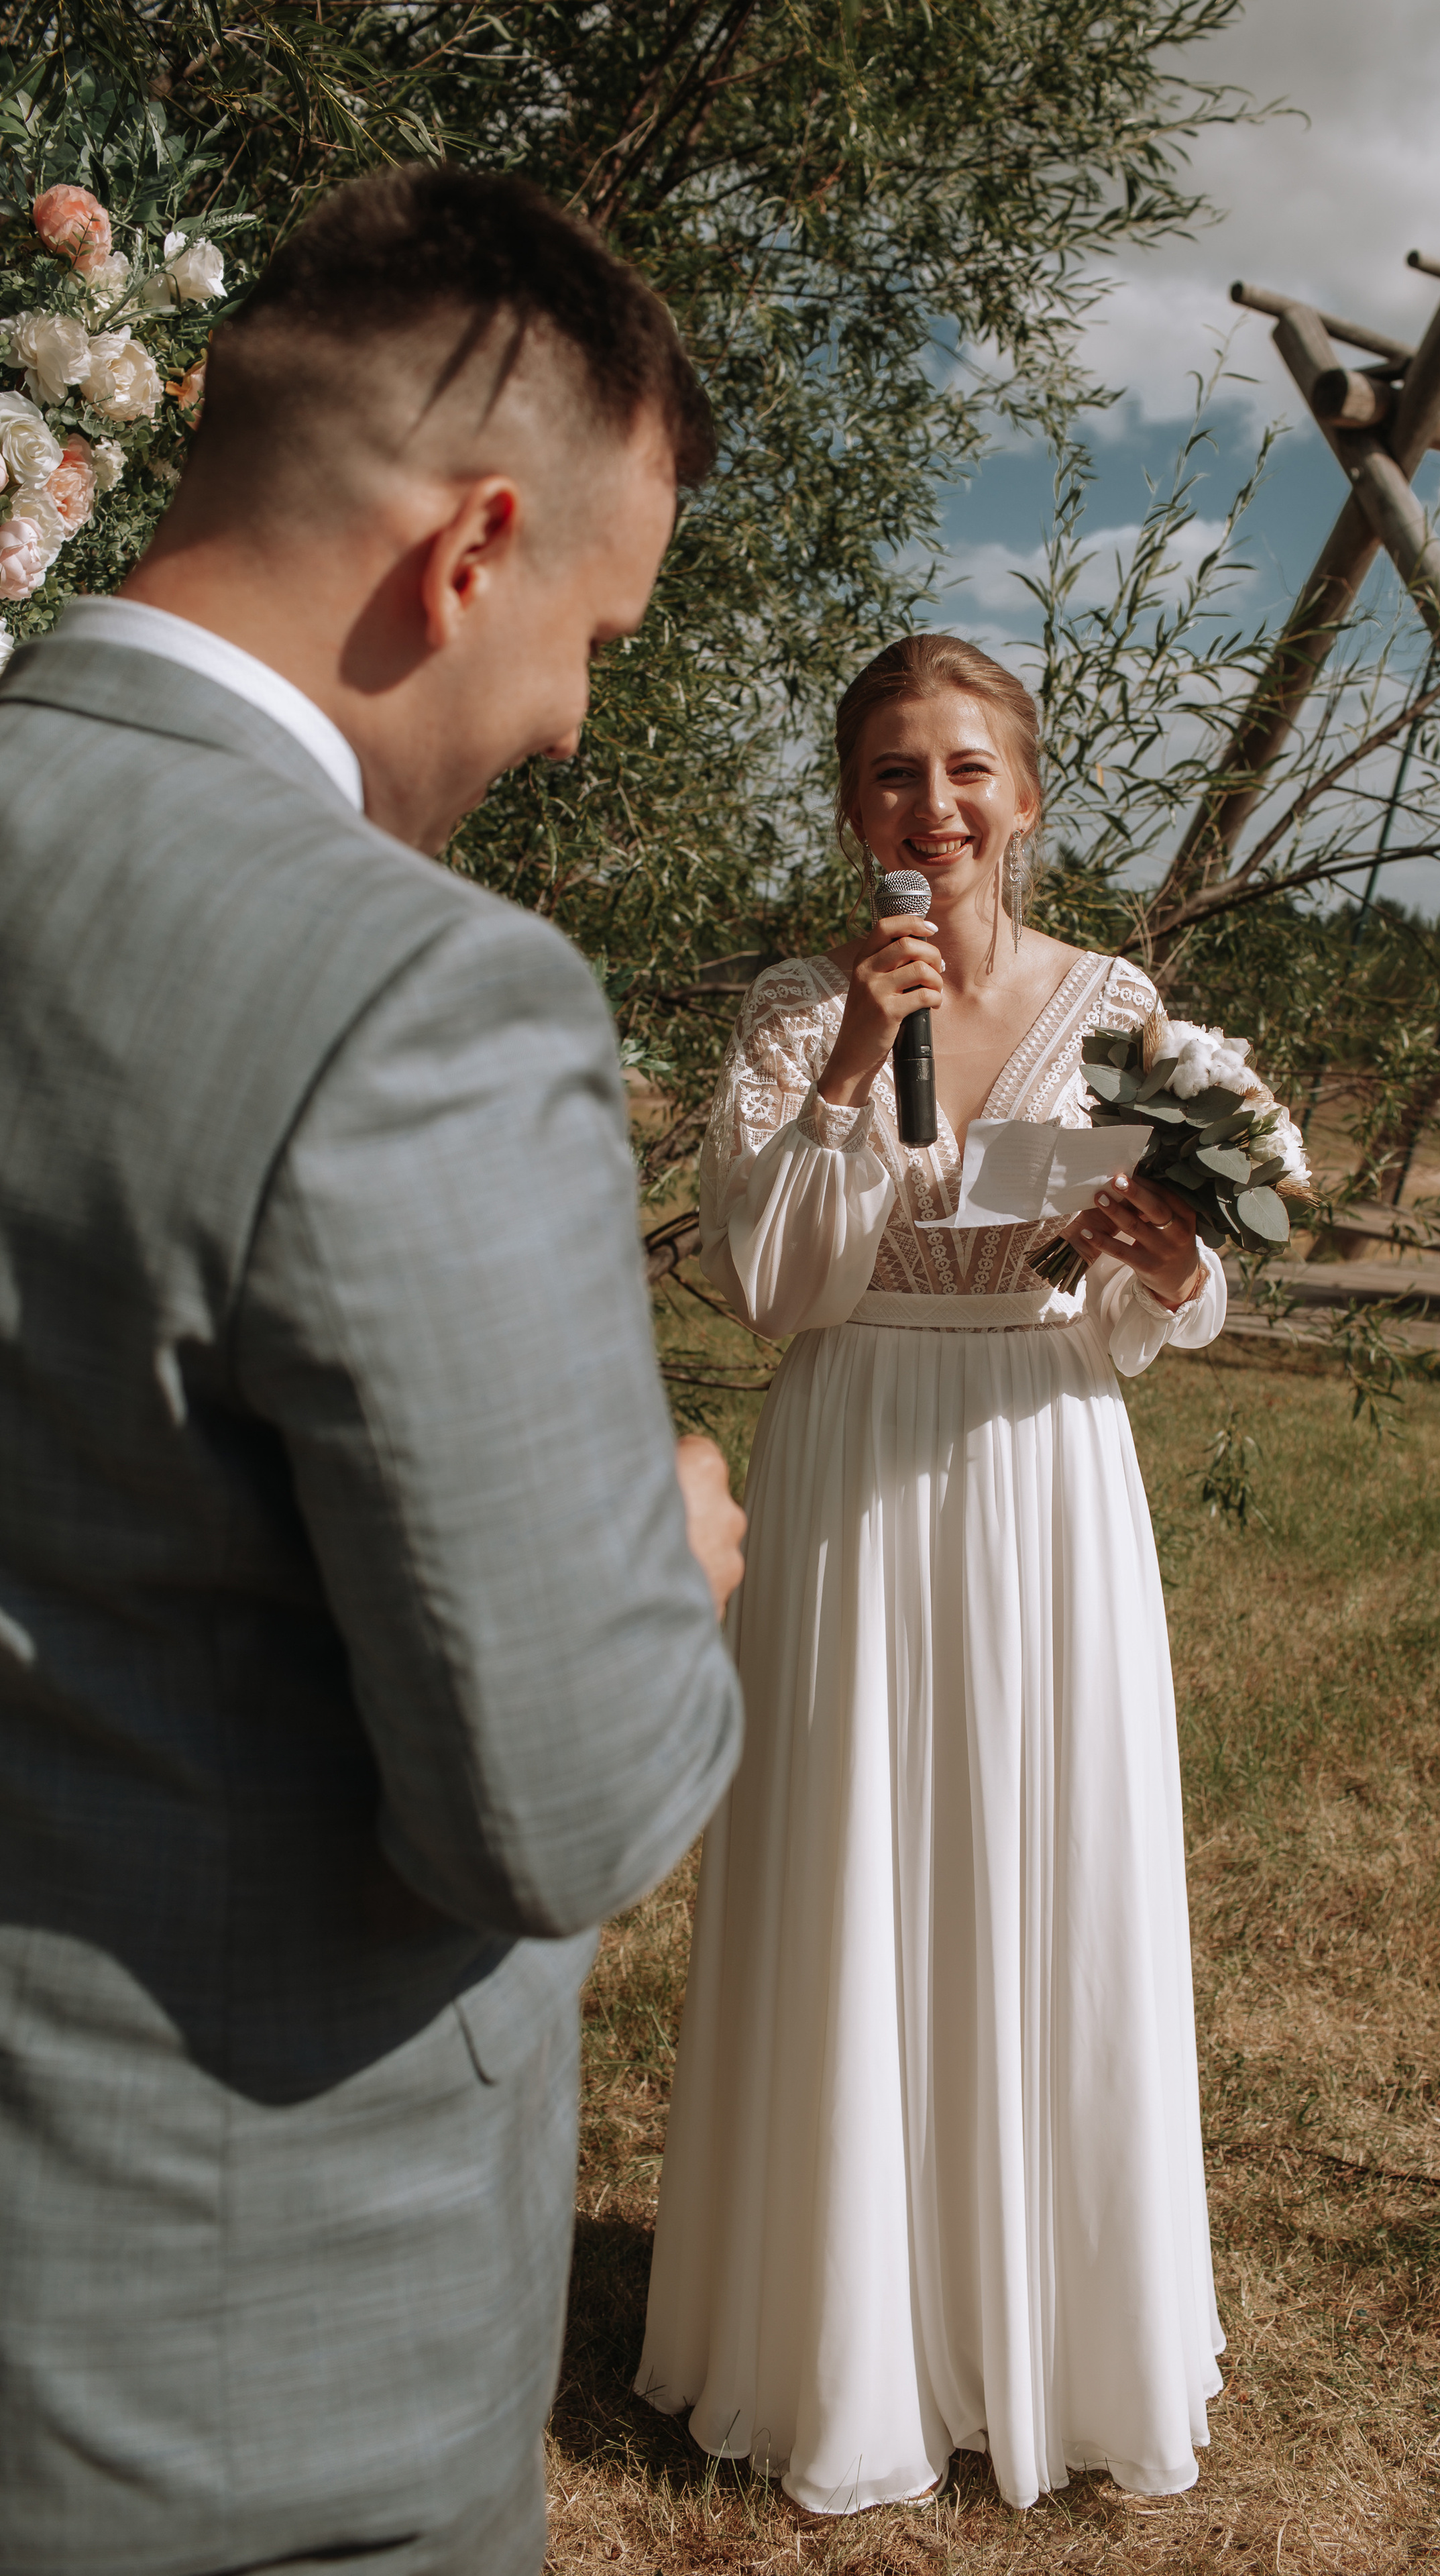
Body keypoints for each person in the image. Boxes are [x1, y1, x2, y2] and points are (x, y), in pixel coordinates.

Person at [0, 168, 746, 2575]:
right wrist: (666, 1552)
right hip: (208, 2399)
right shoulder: (416, 998)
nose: (570, 717)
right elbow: (554, 1799)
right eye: (598, 635)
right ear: (470, 554)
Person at [637, 633, 1234, 2513]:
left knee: (1050, 1868)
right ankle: (842, 2336)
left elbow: (1192, 1293)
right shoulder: (793, 1012)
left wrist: (1168, 1260)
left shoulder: (1122, 1002)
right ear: (852, 810)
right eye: (896, 774)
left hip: (1044, 1470)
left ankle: (1050, 2331)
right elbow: (772, 1289)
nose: (935, 806)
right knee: (848, 1864)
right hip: (851, 1462)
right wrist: (847, 1062)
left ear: (1028, 795)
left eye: (968, 769)